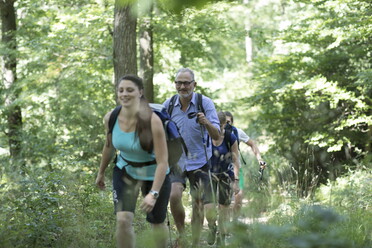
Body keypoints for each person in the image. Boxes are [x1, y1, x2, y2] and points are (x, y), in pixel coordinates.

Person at [95, 75, 171, 248]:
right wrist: (100, 173)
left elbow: (163, 162)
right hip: (125, 170)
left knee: (157, 223)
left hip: (154, 174)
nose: (124, 94)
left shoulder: (153, 121)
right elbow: (108, 147)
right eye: (121, 90)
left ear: (140, 92)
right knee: (123, 220)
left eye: (130, 90)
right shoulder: (111, 117)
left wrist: (153, 194)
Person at [163, 68, 220, 247]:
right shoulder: (169, 104)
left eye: (186, 83)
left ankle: (194, 243)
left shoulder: (205, 103)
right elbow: (160, 130)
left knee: (198, 202)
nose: (182, 86)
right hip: (177, 160)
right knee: (173, 195)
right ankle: (182, 235)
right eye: (179, 82)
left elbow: (217, 135)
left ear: (194, 85)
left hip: (201, 160)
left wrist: (207, 122)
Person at [206, 111, 240, 246]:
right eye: (215, 125)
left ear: (224, 124)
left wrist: (236, 181)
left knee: (223, 208)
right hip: (208, 175)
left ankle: (222, 236)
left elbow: (235, 160)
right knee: (209, 209)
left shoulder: (230, 137)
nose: (218, 128)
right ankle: (212, 227)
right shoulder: (206, 136)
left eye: (220, 125)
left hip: (226, 175)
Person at [224, 111, 266, 220]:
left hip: (237, 168)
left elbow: (252, 144)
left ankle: (234, 222)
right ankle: (224, 225)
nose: (226, 124)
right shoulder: (215, 132)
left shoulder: (237, 132)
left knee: (238, 197)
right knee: (224, 201)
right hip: (220, 170)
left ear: (232, 122)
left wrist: (260, 159)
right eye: (224, 121)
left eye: (228, 121)